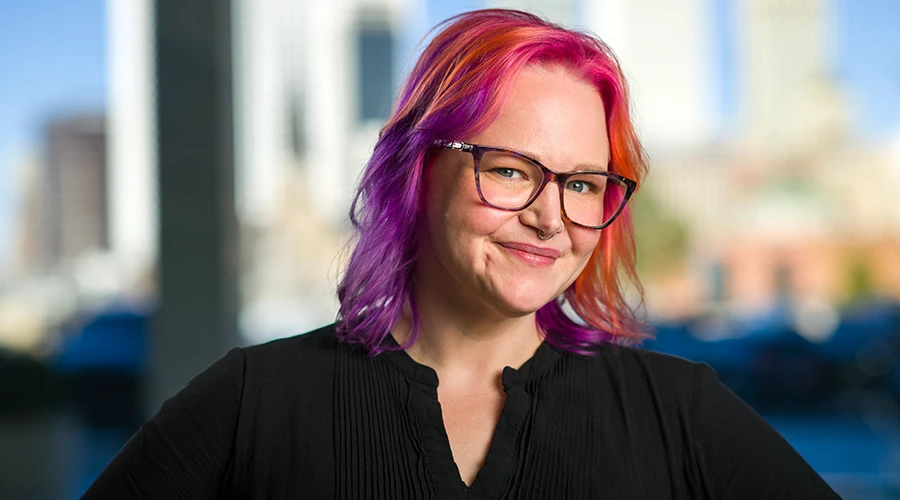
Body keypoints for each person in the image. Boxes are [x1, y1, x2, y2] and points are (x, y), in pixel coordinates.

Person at [83, 9, 841, 499]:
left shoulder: (678, 410)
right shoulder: (255, 401)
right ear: (418, 170)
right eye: (510, 170)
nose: (551, 218)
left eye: (582, 182)